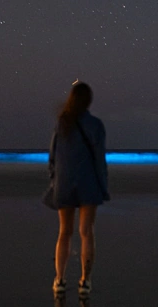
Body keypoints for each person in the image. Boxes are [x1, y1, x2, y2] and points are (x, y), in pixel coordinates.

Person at [46, 82, 109, 298]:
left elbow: (53, 156)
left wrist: (54, 179)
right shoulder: (95, 125)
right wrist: (103, 186)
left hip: (64, 184)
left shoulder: (62, 123)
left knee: (64, 232)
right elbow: (100, 160)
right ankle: (85, 281)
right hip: (88, 184)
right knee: (86, 233)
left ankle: (60, 280)